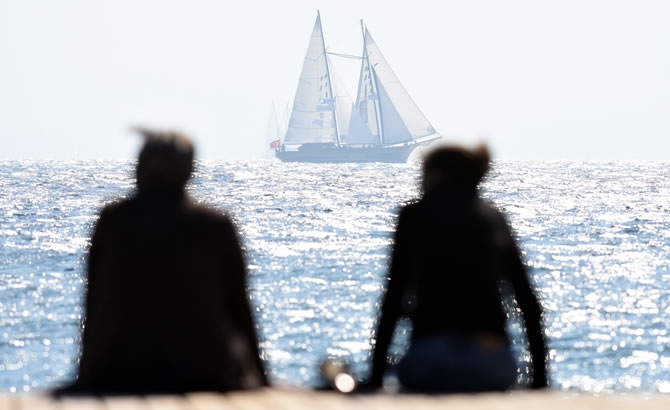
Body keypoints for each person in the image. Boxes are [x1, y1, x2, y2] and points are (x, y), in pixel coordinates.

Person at [58, 128, 268, 395]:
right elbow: (239, 308)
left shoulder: (113, 221)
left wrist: (87, 375)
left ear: (140, 170)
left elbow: (94, 303)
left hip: (121, 370)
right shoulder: (214, 225)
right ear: (189, 172)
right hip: (203, 371)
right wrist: (262, 377)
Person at [366, 144, 548, 393]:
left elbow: (393, 298)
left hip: (431, 362)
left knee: (399, 370)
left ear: (437, 175)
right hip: (491, 363)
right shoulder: (493, 218)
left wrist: (375, 378)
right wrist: (540, 381)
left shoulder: (414, 216)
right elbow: (527, 303)